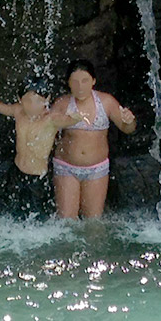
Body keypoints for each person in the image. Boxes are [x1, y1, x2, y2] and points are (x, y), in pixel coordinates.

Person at [50, 59, 137, 219]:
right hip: (66, 167)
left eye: (85, 81)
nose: (80, 86)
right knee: (66, 223)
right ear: (68, 83)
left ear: (94, 81)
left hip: (97, 169)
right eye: (74, 82)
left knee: (93, 222)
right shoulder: (62, 104)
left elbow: (127, 129)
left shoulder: (106, 102)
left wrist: (129, 121)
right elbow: (46, 133)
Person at [0, 74, 79, 177]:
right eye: (27, 101)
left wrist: (76, 116)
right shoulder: (18, 111)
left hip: (37, 178)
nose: (32, 106)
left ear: (47, 99)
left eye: (37, 101)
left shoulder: (51, 119)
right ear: (19, 100)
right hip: (16, 171)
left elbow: (71, 120)